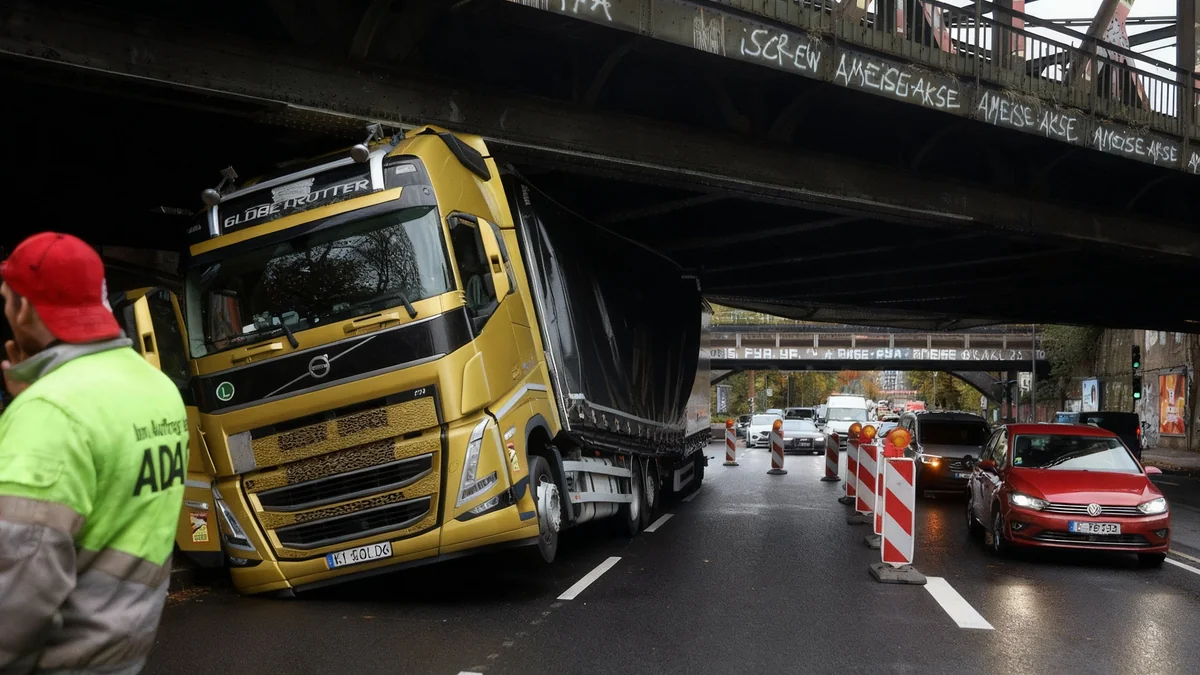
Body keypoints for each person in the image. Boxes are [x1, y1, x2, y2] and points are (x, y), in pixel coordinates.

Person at [0, 233, 187, 674]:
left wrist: (38, 411)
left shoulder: (52, 414)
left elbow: (17, 598)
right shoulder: (157, 388)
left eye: (7, 301)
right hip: (120, 654)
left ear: (24, 308)